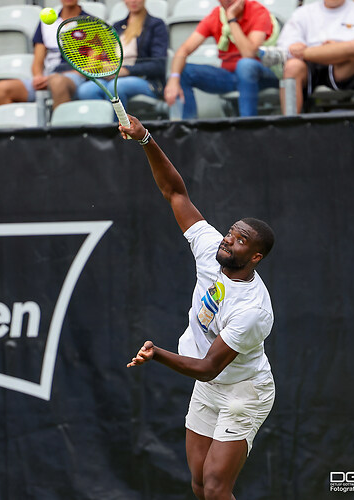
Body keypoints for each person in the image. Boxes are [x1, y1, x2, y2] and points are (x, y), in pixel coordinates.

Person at [120, 115, 275, 500]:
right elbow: (175, 192)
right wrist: (145, 139)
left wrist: (157, 354)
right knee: (198, 483)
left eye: (240, 241)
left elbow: (207, 368)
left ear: (255, 256)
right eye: (230, 232)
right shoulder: (210, 250)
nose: (228, 239)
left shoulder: (253, 309)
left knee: (217, 485)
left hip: (244, 390)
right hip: (210, 387)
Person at [164, 0, 279, 119]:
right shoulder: (216, 16)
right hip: (231, 76)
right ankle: (188, 131)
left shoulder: (258, 11)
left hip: (262, 74)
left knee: (245, 65)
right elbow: (184, 49)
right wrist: (174, 78)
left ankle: (247, 126)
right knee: (183, 71)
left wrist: (232, 20)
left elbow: (248, 53)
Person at [262, 0, 354, 113]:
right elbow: (286, 47)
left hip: (345, 69)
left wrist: (338, 48)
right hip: (309, 66)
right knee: (292, 66)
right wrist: (324, 51)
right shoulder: (302, 13)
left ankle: (310, 52)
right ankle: (290, 123)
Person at [0, 0, 88, 110]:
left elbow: (92, 65)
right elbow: (37, 62)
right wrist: (38, 77)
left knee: (57, 82)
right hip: (48, 76)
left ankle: (61, 126)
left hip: (75, 77)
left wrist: (53, 78)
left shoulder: (92, 22)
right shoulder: (46, 22)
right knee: (2, 89)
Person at [77, 0, 168, 111]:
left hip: (146, 81)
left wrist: (126, 70)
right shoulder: (117, 26)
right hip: (113, 77)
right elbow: (108, 56)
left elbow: (158, 65)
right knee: (86, 90)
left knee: (115, 87)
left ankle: (120, 127)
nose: (133, 1)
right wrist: (105, 66)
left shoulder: (156, 25)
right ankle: (103, 126)